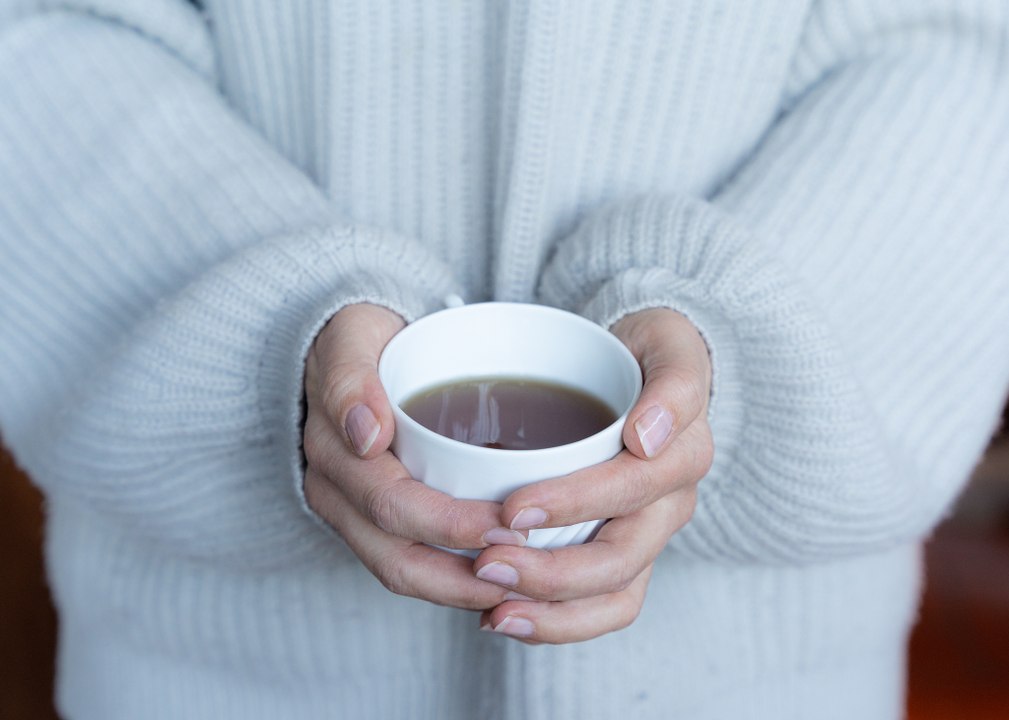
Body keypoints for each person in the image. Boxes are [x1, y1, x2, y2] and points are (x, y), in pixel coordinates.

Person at [1, 1, 1008, 718]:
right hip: (215, 673)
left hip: (754, 675)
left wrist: (740, 367)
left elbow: (961, 49)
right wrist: (268, 347)